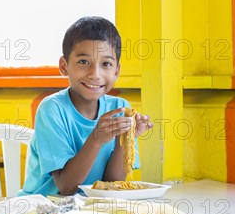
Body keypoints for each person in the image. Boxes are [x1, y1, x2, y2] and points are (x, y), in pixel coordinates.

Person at [20, 16, 154, 196]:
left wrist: (124, 139)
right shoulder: (52, 109)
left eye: (106, 64)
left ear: (116, 71)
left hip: (90, 211)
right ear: (64, 66)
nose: (95, 74)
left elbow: (111, 184)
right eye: (83, 62)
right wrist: (96, 139)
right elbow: (66, 187)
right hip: (43, 211)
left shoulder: (120, 107)